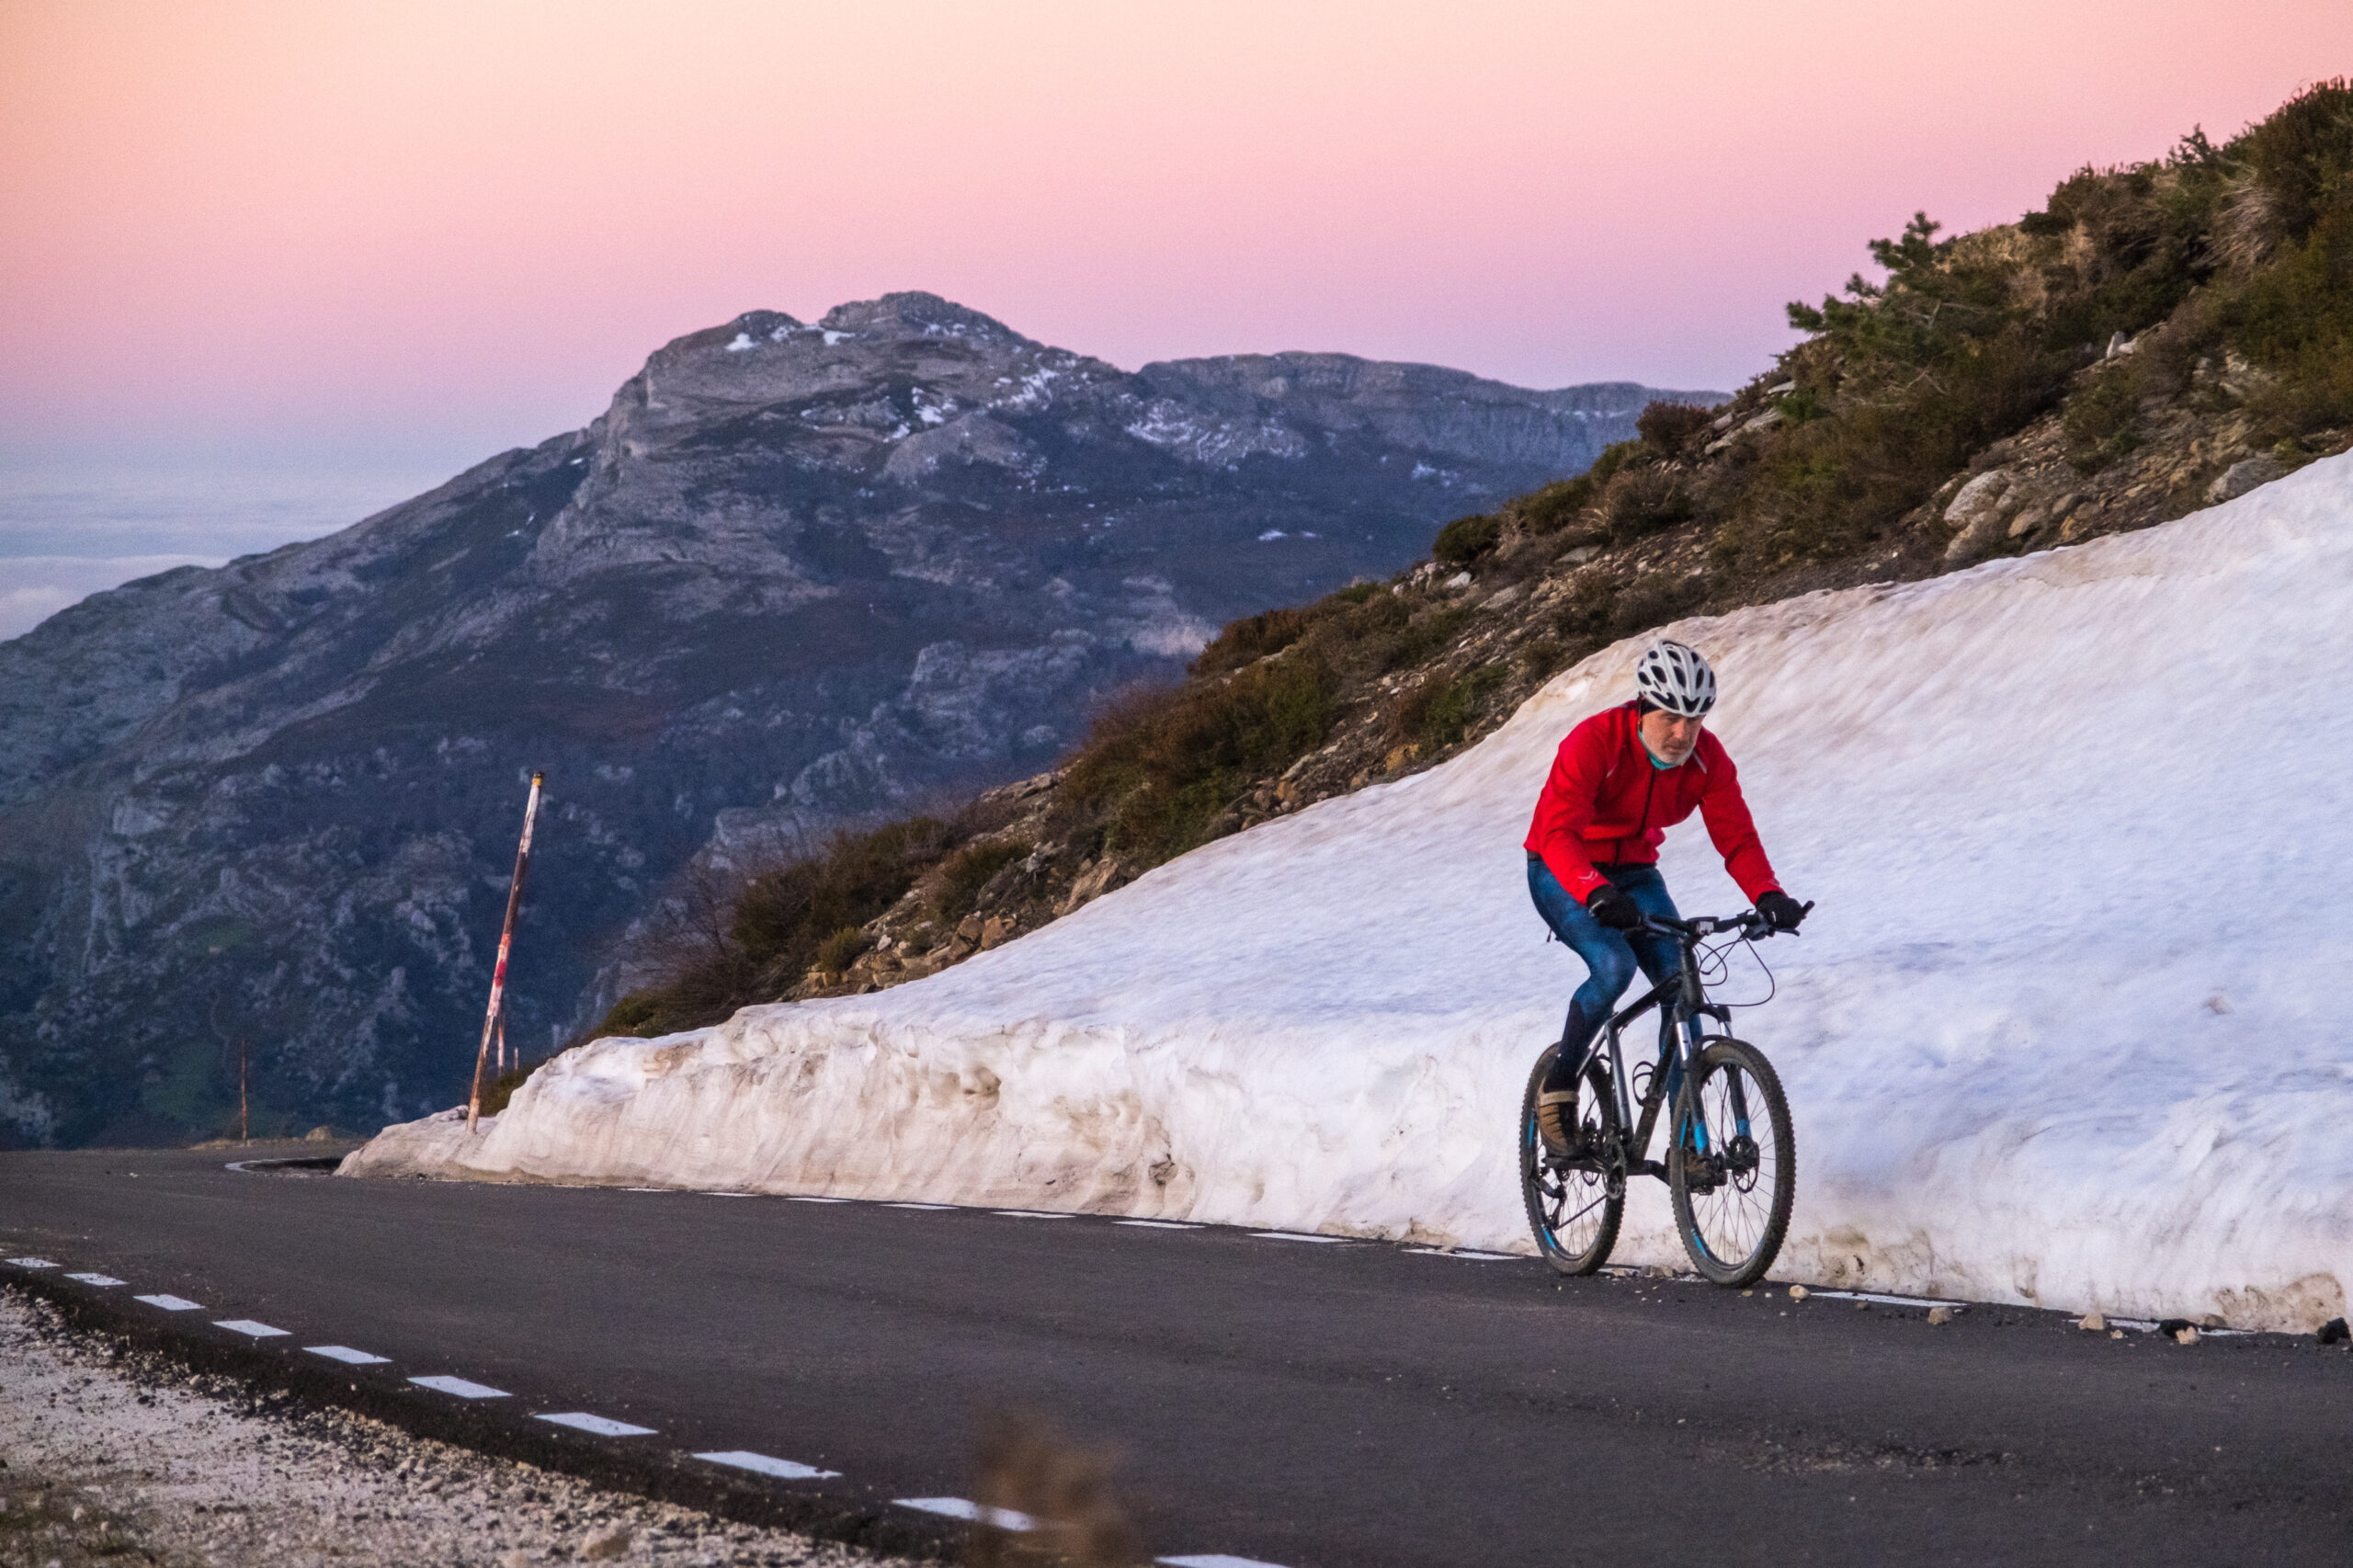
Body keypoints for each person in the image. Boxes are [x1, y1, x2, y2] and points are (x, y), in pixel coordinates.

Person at [1522, 640, 1807, 1158]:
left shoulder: (1707, 759)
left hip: (1634, 871)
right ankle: (1559, 1085)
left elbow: (1737, 838)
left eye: (1695, 721)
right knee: (1613, 965)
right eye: (1671, 718)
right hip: (1560, 867)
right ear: (1643, 706)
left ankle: (1687, 1145)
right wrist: (1595, 890)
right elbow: (1559, 834)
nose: (1683, 734)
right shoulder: (1594, 744)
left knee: (1680, 980)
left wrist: (1769, 894)